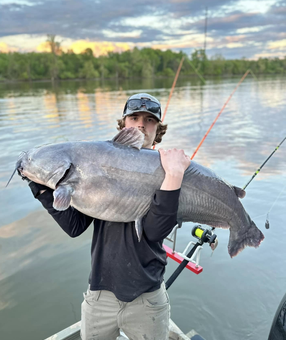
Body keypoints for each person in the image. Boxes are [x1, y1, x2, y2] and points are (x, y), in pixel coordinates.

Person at [27, 93, 191, 340]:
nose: (140, 125)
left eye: (149, 120)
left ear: (158, 130)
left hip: (147, 298)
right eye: (134, 117)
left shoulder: (169, 172)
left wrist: (175, 177)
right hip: (100, 294)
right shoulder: (99, 162)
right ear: (123, 123)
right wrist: (41, 188)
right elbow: (74, 226)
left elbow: (156, 232)